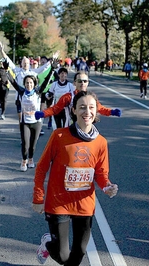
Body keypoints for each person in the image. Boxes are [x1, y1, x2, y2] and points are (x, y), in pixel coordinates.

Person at [32, 90, 119, 265]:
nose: (87, 112)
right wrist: (38, 197)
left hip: (84, 204)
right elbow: (41, 167)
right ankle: (49, 244)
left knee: (79, 252)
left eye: (91, 108)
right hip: (58, 202)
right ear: (73, 110)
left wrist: (107, 187)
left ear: (97, 111)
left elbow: (101, 175)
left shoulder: (101, 142)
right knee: (63, 256)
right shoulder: (59, 136)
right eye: (82, 108)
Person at [34, 71, 122, 125]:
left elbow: (100, 109)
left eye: (85, 81)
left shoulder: (91, 97)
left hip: (86, 127)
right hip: (71, 128)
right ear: (75, 83)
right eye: (79, 81)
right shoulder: (68, 97)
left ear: (88, 83)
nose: (82, 83)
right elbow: (55, 109)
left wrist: (112, 112)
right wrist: (43, 114)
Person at [8, 75, 46, 172]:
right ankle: (24, 160)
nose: (29, 85)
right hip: (25, 122)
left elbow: (45, 83)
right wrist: (7, 71)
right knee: (25, 144)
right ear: (24, 84)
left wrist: (52, 70)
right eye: (27, 83)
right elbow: (13, 83)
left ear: (34, 84)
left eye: (31, 83)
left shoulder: (38, 93)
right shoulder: (22, 92)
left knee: (33, 145)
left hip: (36, 122)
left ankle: (31, 159)